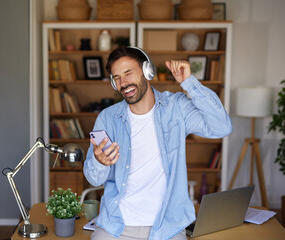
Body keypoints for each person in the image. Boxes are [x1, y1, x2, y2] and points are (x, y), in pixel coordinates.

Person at [83, 46, 232, 240]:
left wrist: (189, 83)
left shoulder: (176, 108)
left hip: (167, 226)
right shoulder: (108, 118)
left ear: (147, 71)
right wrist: (99, 162)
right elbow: (94, 179)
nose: (123, 83)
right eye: (117, 77)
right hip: (116, 225)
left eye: (128, 73)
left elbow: (222, 127)